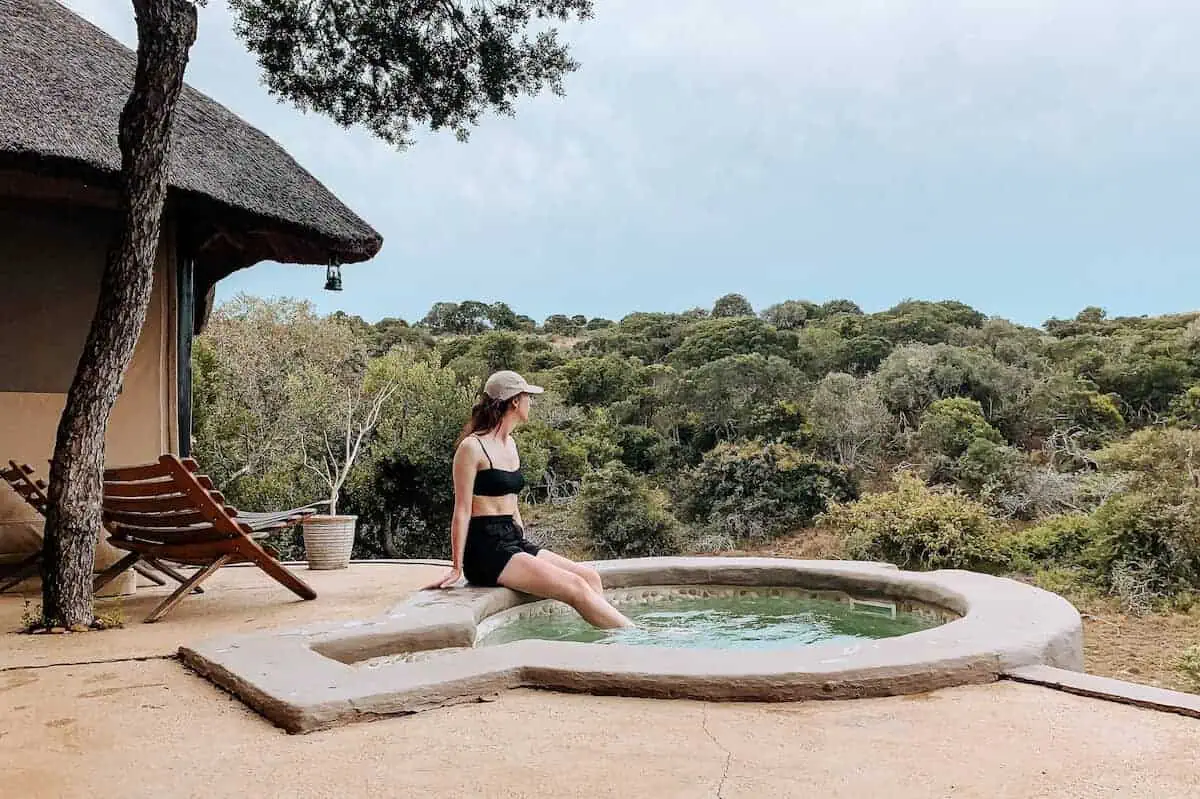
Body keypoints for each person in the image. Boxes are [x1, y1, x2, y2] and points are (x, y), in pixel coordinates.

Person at [424, 370, 634, 629]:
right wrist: (456, 567)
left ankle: (607, 634)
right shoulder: (472, 448)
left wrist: (522, 541)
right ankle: (635, 639)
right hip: (486, 549)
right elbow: (462, 510)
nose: (529, 404)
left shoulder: (511, 445)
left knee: (589, 577)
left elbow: (511, 503)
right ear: (514, 401)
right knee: (575, 586)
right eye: (527, 398)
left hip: (512, 539)